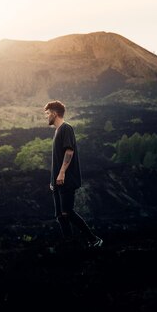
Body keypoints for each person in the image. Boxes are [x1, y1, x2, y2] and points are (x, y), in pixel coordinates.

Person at [44, 100, 103, 248]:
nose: (47, 117)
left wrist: (62, 173)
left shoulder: (66, 128)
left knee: (67, 212)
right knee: (60, 216)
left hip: (66, 179)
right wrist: (53, 180)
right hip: (57, 181)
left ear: (55, 113)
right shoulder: (57, 131)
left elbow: (69, 151)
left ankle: (93, 239)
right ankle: (70, 245)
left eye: (48, 114)